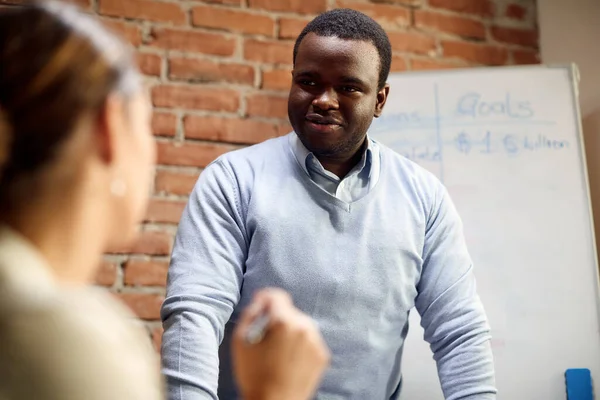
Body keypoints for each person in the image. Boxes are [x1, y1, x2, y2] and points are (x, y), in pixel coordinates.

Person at [161, 7, 498, 400]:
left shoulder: (424, 198)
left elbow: (458, 330)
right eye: (308, 81)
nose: (323, 100)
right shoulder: (234, 181)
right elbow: (194, 316)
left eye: (348, 87)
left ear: (380, 99)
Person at [0, 2, 329, 400]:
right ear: (110, 129)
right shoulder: (65, 340)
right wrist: (274, 391)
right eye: (147, 124)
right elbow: (195, 312)